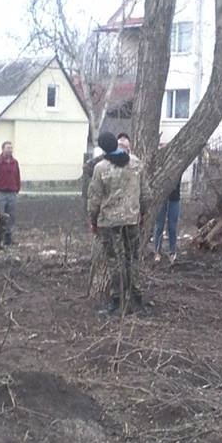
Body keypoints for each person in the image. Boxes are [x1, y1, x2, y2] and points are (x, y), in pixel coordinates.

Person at [87, 130, 151, 315]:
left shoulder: (100, 168)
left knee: (115, 261)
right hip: (132, 219)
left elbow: (95, 199)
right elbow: (145, 193)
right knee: (133, 258)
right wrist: (143, 212)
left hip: (109, 222)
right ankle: (137, 300)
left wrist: (93, 219)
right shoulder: (136, 163)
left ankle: (116, 301)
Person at [0, 141, 21, 246]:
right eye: (8, 148)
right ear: (3, 149)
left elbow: (17, 176)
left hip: (12, 194)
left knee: (11, 217)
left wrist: (17, 188)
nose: (10, 150)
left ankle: (8, 240)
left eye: (11, 148)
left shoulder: (15, 162)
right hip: (0, 193)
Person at [154, 177, 182, 264]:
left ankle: (172, 252)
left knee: (172, 227)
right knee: (159, 226)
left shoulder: (179, 166)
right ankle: (157, 252)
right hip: (161, 198)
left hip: (174, 198)